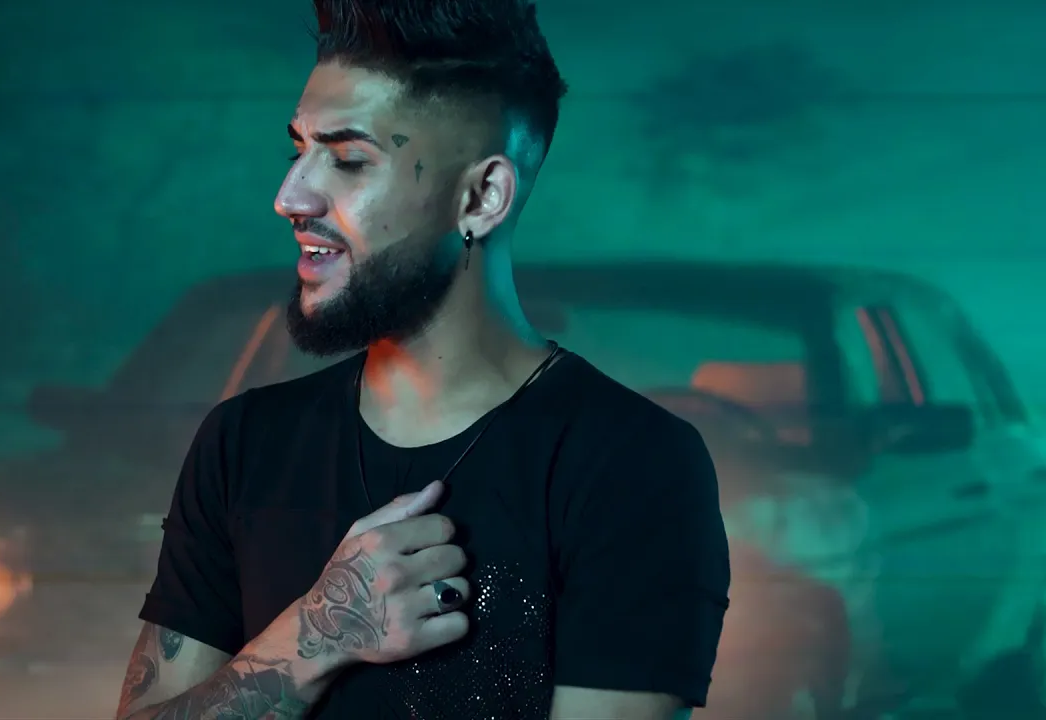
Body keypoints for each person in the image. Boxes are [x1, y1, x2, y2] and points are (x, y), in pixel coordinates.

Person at [115, 0, 730, 718]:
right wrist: (314, 638)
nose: (290, 197)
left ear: (482, 197)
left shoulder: (631, 463)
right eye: (298, 151)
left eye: (348, 160)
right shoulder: (243, 443)